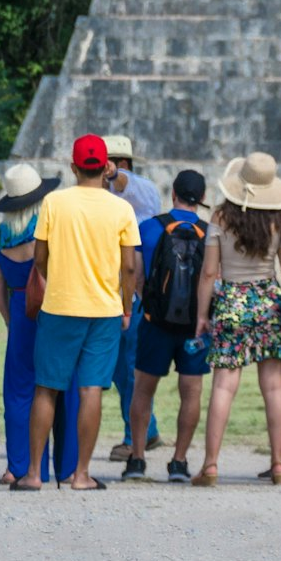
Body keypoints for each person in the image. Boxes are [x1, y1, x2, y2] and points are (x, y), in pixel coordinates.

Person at [11, 134, 138, 492]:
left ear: (73, 167)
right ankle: (81, 474)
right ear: (106, 167)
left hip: (60, 306)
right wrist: (126, 305)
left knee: (46, 388)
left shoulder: (55, 203)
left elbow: (40, 256)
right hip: (104, 310)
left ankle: (35, 473)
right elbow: (129, 267)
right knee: (91, 389)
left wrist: (56, 278)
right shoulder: (121, 209)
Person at [190, 152, 281, 487]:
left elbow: (209, 273)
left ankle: (210, 465)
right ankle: (279, 465)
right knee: (274, 387)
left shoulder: (220, 218)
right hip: (269, 302)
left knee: (224, 386)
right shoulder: (279, 220)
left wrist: (202, 316)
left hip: (232, 301)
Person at [0, 163, 77, 485]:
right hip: (56, 310)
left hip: (21, 312)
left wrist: (12, 320)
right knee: (63, 388)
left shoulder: (0, 237)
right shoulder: (52, 227)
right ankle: (67, 468)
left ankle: (20, 465)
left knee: (18, 392)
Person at [123, 170, 210, 483]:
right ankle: (179, 461)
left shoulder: (149, 227)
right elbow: (213, 279)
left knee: (143, 390)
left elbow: (133, 270)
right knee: (191, 392)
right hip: (195, 328)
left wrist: (142, 299)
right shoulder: (210, 233)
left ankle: (137, 459)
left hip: (153, 322)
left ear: (173, 193)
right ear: (201, 198)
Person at [102, 133, 161, 462]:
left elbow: (125, 183)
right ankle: (146, 429)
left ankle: (133, 436)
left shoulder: (137, 188)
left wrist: (112, 175)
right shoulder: (105, 197)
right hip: (117, 291)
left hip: (134, 293)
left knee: (128, 367)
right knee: (117, 369)